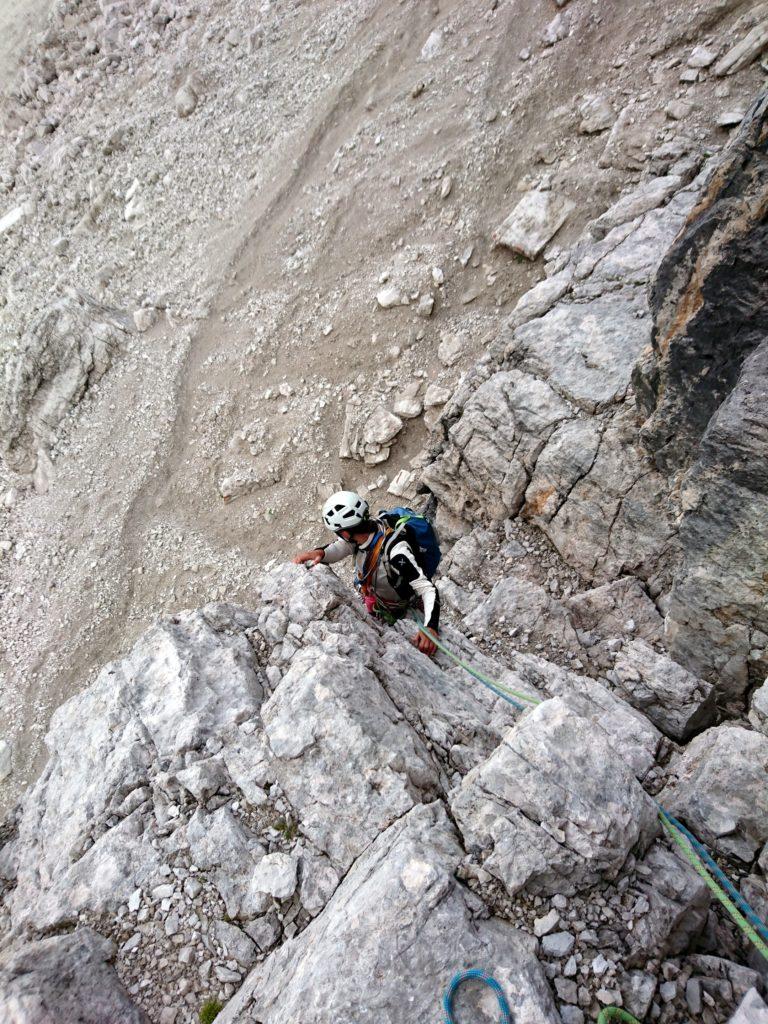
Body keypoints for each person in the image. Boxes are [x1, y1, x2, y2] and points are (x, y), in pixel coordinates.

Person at [293, 490, 440, 655]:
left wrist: (430, 627)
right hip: (378, 599)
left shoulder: (396, 552)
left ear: (345, 532)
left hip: (399, 605)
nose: (341, 537)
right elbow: (343, 546)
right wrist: (321, 552)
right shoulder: (367, 530)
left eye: (339, 533)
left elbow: (427, 589)